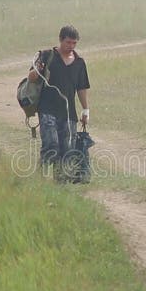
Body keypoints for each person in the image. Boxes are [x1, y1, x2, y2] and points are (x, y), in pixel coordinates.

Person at [28, 25, 90, 182]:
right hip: (47, 109)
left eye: (74, 43)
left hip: (69, 113)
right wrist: (37, 71)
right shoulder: (46, 56)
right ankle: (40, 175)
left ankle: (60, 182)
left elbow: (81, 87)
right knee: (51, 145)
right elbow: (31, 77)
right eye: (68, 42)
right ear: (60, 40)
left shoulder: (79, 63)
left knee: (67, 150)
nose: (71, 46)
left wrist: (85, 110)